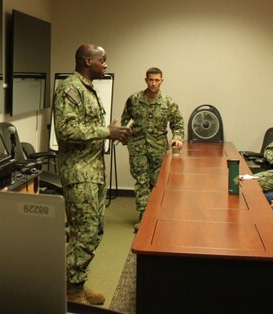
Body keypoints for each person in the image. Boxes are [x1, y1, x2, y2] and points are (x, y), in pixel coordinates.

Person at [53, 44, 131, 305]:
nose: (105, 65)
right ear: (88, 61)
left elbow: (87, 127)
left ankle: (75, 281)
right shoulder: (70, 88)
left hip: (93, 171)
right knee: (84, 231)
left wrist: (111, 131)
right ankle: (71, 292)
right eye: (102, 60)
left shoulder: (88, 89)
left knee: (94, 230)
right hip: (79, 173)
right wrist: (105, 132)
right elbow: (66, 130)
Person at [121, 67, 184, 231]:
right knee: (141, 181)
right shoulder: (134, 100)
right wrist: (126, 136)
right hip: (138, 148)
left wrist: (177, 138)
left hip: (158, 149)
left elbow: (178, 123)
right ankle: (144, 216)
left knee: (156, 183)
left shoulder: (168, 103)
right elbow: (125, 120)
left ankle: (156, 214)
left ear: (162, 81)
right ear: (145, 80)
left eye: (157, 80)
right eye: (150, 80)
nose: (153, 83)